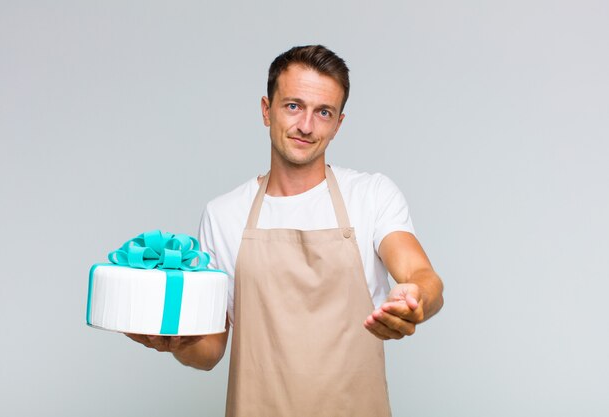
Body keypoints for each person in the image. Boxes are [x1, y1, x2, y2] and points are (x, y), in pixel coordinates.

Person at [127, 45, 444, 416]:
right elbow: (211, 350)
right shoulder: (224, 214)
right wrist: (177, 342)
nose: (306, 126)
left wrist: (415, 299)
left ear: (338, 123)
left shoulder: (371, 195)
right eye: (293, 106)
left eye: (323, 112)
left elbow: (422, 276)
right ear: (267, 110)